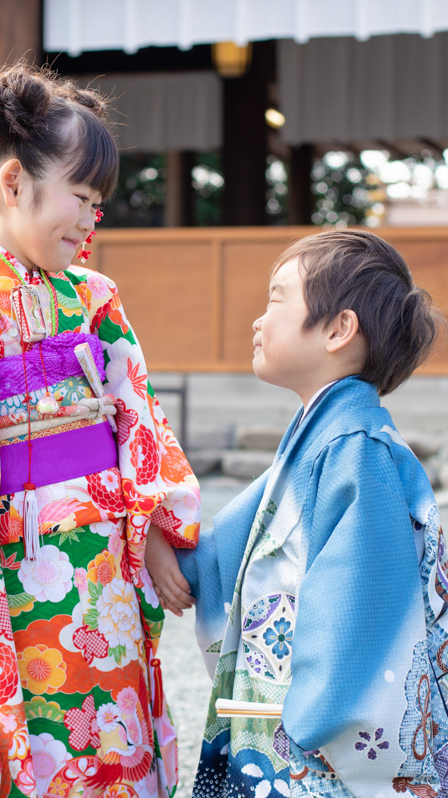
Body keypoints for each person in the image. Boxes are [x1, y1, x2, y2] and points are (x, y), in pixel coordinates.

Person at [0, 64, 199, 798]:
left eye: (98, 204)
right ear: (12, 183)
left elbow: (137, 414)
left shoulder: (96, 300)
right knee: (12, 754)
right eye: (81, 198)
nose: (91, 221)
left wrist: (157, 523)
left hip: (106, 580)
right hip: (12, 588)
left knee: (116, 742)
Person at [178, 229, 448, 797]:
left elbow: (361, 602)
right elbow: (230, 544)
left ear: (338, 329)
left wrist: (310, 717)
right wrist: (171, 553)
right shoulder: (324, 438)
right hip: (283, 721)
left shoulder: (357, 449)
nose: (259, 320)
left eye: (277, 299)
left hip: (310, 746)